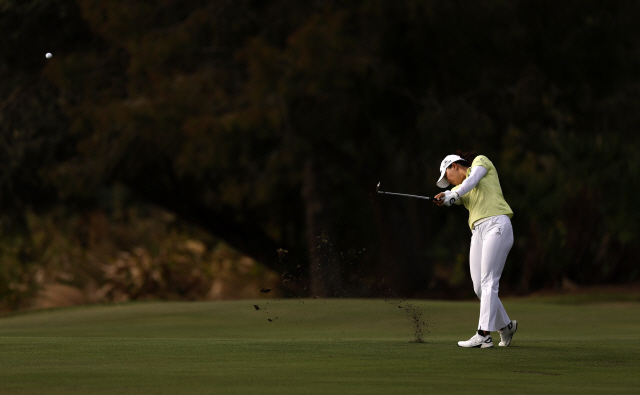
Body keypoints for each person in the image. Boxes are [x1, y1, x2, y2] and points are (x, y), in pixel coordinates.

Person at [434, 151, 518, 348]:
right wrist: (443, 196)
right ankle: (505, 327)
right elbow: (456, 194)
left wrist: (453, 194)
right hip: (478, 232)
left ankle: (483, 334)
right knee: (480, 288)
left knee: (489, 280)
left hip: (497, 224)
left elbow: (471, 181)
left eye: (447, 176)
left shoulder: (481, 162)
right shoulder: (463, 191)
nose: (449, 182)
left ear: (454, 165)